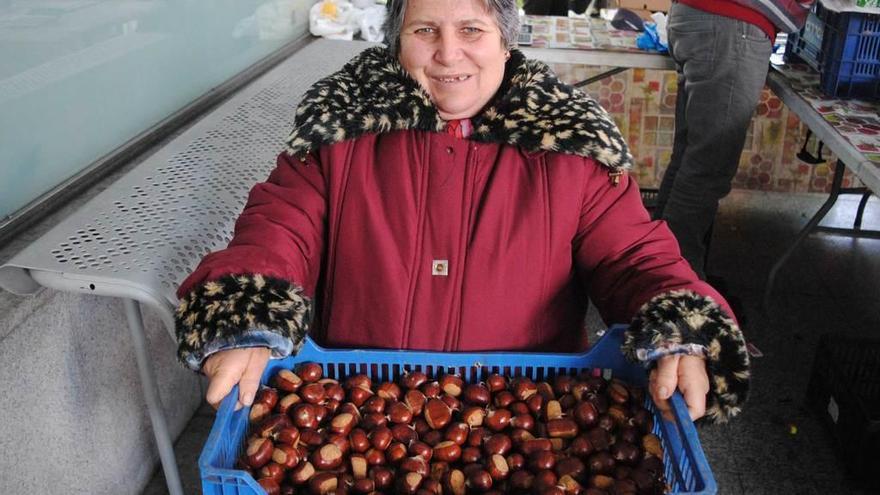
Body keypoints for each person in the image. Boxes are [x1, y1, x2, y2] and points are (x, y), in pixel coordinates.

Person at [175, 0, 750, 424]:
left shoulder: (570, 145)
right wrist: (249, 309)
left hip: (525, 415)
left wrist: (681, 329)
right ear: (397, 41)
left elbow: (633, 256)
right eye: (425, 30)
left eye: (471, 29)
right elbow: (280, 226)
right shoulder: (341, 131)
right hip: (362, 405)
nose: (449, 54)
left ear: (505, 40)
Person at [652, 0, 815, 280]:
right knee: (706, 169)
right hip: (729, 25)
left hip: (698, 17)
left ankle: (652, 267)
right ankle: (677, 285)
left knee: (690, 159)